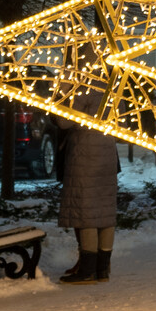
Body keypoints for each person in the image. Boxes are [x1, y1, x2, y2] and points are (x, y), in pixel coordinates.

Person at [56, 87, 120, 285]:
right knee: (104, 211)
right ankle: (102, 269)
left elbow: (64, 122)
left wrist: (58, 102)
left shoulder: (82, 88)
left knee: (86, 212)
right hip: (108, 151)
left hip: (84, 153)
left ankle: (87, 270)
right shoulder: (113, 87)